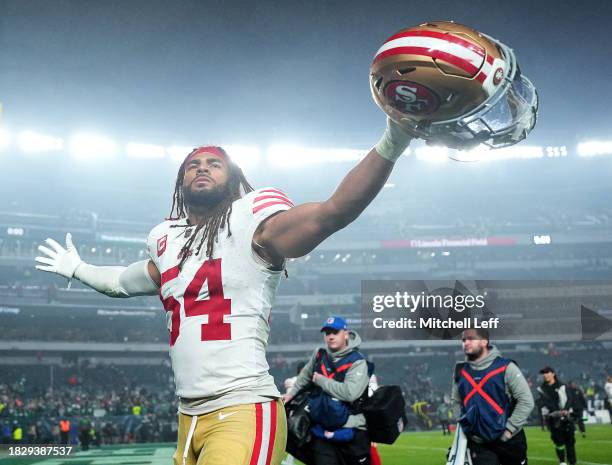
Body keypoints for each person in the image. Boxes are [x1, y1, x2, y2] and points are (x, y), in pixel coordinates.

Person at [35, 121, 414, 465]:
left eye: (214, 163)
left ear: (233, 180)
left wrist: (393, 140)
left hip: (243, 407)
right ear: (181, 182)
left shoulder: (253, 219)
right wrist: (79, 269)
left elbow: (331, 212)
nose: (202, 167)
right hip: (188, 417)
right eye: (193, 164)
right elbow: (121, 281)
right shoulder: (166, 240)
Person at [283, 316, 371, 465]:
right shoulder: (319, 354)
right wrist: (290, 395)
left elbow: (350, 393)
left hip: (351, 430)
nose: (330, 336)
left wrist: (321, 381)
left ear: (345, 334)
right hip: (321, 431)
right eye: (327, 333)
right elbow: (304, 377)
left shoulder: (357, 361)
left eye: (335, 332)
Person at [451, 329, 534, 465]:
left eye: (471, 339)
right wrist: (468, 428)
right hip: (480, 443)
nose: (466, 343)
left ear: (484, 341)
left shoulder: (507, 367)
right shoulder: (460, 370)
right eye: (464, 340)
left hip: (510, 441)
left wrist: (508, 430)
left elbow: (526, 401)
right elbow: (456, 402)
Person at [537, 366, 579, 465]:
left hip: (566, 418)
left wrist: (566, 410)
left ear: (553, 374)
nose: (545, 375)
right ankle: (562, 461)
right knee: (558, 441)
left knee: (570, 442)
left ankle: (572, 462)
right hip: (553, 418)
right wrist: (554, 412)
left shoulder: (562, 386)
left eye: (547, 372)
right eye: (544, 373)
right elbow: (545, 402)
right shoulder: (542, 389)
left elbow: (570, 398)